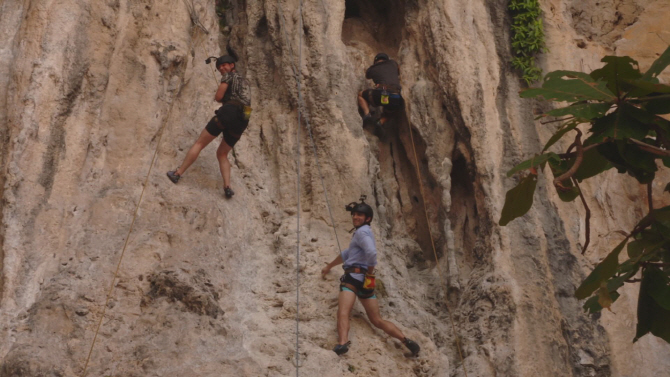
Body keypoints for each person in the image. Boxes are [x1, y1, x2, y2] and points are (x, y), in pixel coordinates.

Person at [321, 197, 420, 356]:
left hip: (353, 278)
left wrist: (370, 272)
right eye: (354, 214)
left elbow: (372, 253)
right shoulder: (363, 233)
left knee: (343, 312)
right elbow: (347, 254)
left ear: (368, 218)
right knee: (377, 320)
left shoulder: (362, 232)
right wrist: (329, 266)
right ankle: (406, 341)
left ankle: (342, 344)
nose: (355, 217)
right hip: (366, 282)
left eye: (360, 215)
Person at [166, 55, 251, 198]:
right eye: (219, 68)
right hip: (243, 119)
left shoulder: (228, 76)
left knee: (200, 143)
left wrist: (223, 99)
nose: (222, 69)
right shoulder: (246, 82)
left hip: (228, 112)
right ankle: (227, 187)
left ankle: (177, 173)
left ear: (232, 65)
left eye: (224, 65)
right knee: (222, 153)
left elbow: (218, 97)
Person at [357, 53, 404, 137]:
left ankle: (367, 115)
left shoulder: (372, 68)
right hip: (395, 97)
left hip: (381, 94)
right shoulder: (393, 63)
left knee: (360, 95)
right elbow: (398, 69)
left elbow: (367, 76)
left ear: (375, 61)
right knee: (393, 110)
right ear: (387, 59)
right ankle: (380, 122)